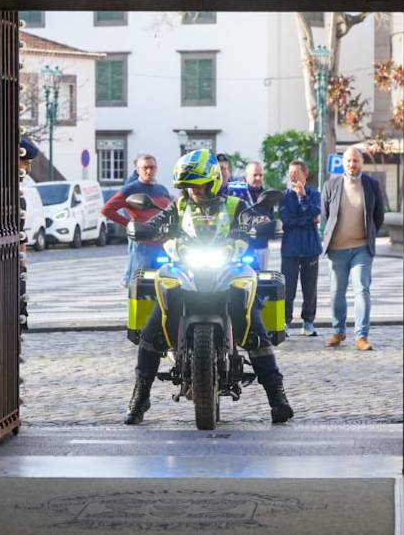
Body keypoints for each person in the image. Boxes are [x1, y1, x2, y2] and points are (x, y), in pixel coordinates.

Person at [124, 149, 294, 425]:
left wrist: (262, 223)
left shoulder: (234, 206)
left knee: (252, 325)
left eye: (199, 185)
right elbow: (155, 223)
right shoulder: (177, 207)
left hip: (227, 269)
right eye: (188, 187)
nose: (194, 191)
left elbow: (253, 220)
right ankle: (140, 396)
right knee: (154, 328)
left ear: (213, 182)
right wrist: (141, 228)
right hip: (184, 270)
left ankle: (278, 398)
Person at [320, 147, 387, 351]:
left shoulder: (372, 185)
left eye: (355, 161)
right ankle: (339, 331)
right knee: (336, 292)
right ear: (343, 163)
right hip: (337, 248)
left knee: (362, 289)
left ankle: (361, 336)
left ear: (362, 163)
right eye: (348, 161)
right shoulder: (331, 185)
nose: (352, 165)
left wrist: (369, 236)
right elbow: (325, 215)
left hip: (362, 248)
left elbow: (379, 215)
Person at [102, 154, 172, 287]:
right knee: (140, 285)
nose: (149, 171)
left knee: (166, 284)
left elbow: (170, 212)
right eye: (145, 168)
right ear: (138, 170)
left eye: (152, 167)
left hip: (164, 244)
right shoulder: (131, 189)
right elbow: (107, 210)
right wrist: (130, 225)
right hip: (143, 245)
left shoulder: (162, 189)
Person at [278, 159, 322, 336]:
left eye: (296, 173)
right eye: (290, 174)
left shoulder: (314, 194)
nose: (293, 177)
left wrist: (304, 198)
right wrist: (308, 220)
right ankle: (285, 321)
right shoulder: (284, 196)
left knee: (309, 288)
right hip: (290, 248)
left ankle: (309, 321)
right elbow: (287, 221)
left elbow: (315, 211)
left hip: (310, 248)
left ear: (305, 174)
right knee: (287, 288)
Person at [223, 161, 273, 271]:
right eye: (255, 175)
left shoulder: (267, 195)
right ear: (246, 176)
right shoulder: (236, 193)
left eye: (261, 175)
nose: (258, 178)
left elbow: (270, 218)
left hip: (261, 245)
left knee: (262, 281)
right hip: (241, 246)